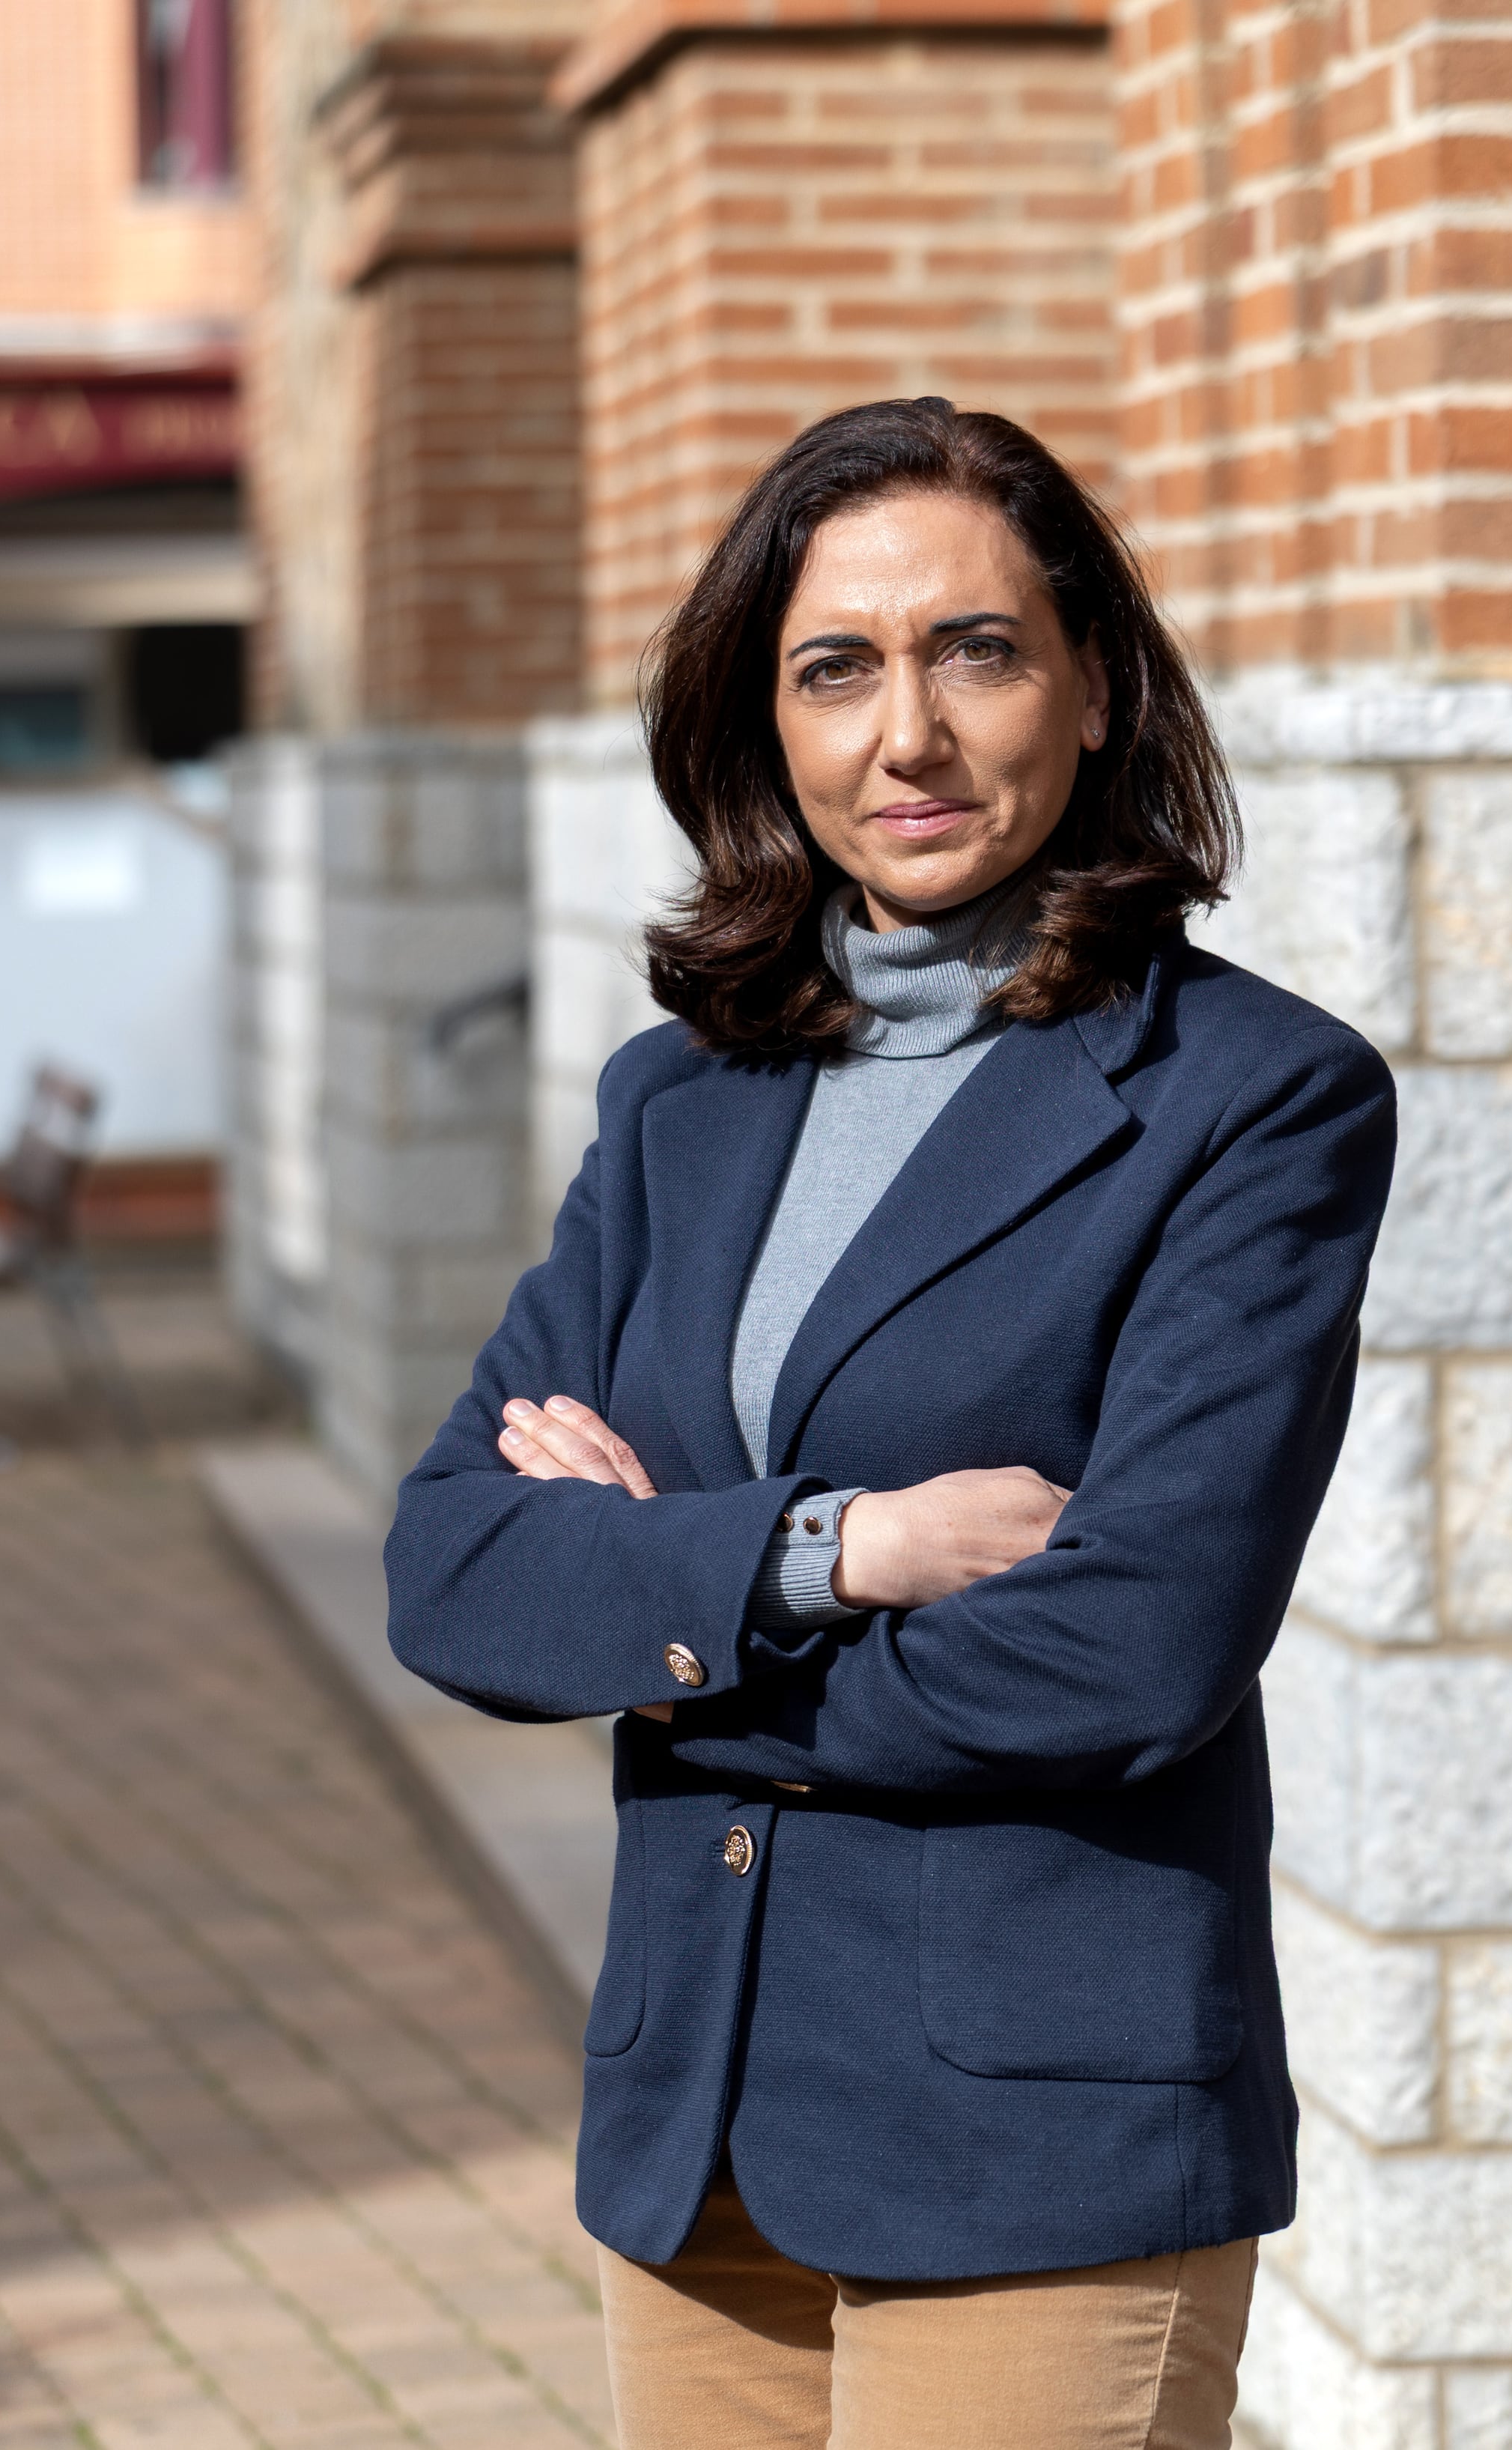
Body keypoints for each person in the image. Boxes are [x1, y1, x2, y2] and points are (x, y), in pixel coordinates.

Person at [384, 397, 1396, 2450]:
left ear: (1095, 688)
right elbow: (452, 1568)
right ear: (766, 722)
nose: (906, 737)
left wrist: (661, 1632)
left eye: (978, 653)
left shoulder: (1253, 1101)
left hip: (1035, 2135)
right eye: (835, 669)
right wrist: (826, 1552)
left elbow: (1134, 1653)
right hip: (702, 2117)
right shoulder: (679, 1102)